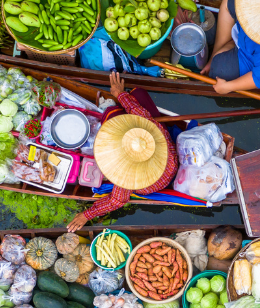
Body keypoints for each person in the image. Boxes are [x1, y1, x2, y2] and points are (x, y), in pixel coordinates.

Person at [67, 72, 177, 232]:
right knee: (138, 94)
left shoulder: (127, 177)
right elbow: (138, 111)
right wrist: (120, 93)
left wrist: (87, 215)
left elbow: (117, 201)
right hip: (168, 160)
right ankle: (121, 103)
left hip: (155, 180)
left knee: (110, 113)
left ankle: (115, 111)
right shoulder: (154, 131)